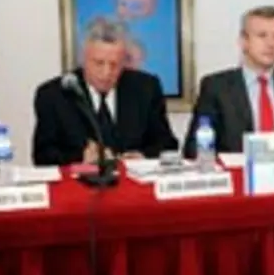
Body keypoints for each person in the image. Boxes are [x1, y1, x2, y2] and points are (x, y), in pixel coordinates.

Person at [32, 18, 178, 165]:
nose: (107, 72)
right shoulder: (54, 95)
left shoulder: (146, 88)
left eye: (114, 64)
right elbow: (43, 156)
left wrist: (142, 156)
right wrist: (80, 157)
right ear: (83, 59)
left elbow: (167, 144)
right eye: (99, 63)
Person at [182, 5, 274, 158]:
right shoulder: (216, 87)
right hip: (238, 177)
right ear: (243, 41)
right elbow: (193, 149)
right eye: (262, 35)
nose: (271, 44)